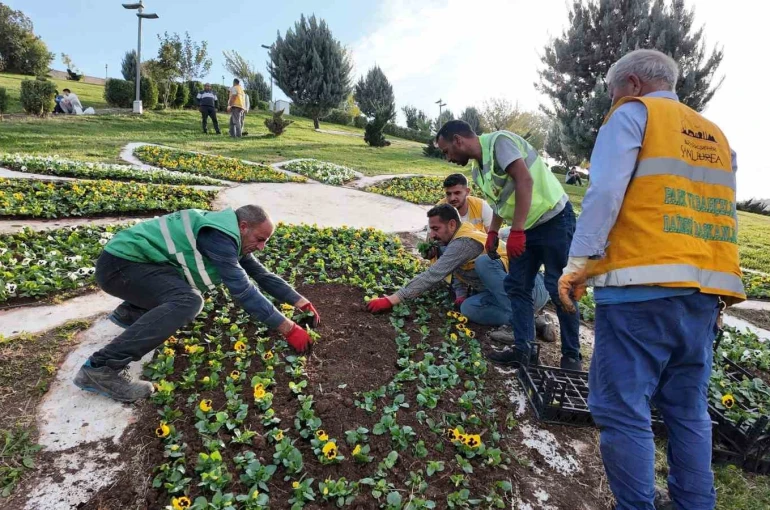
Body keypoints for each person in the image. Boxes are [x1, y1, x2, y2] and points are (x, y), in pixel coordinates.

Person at [558, 49, 745, 510]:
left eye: (612, 92)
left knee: (621, 410)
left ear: (634, 84)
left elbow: (603, 192)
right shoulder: (717, 136)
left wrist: (579, 261)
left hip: (639, 290)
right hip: (702, 296)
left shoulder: (633, 115)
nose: (611, 101)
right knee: (687, 412)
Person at [73, 205, 320, 403]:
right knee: (187, 301)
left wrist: (301, 302)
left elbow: (261, 275)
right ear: (243, 227)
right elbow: (243, 290)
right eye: (260, 239)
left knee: (181, 291)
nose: (261, 247)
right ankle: (101, 367)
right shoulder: (219, 237)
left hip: (134, 265)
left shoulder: (228, 234)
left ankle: (132, 313)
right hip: (120, 267)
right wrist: (288, 328)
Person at [435, 120, 581, 370]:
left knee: (559, 286)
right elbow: (501, 202)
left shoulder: (499, 143)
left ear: (458, 140)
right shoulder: (477, 171)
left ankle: (571, 358)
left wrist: (516, 231)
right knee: (517, 287)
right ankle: (524, 351)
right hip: (525, 228)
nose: (448, 157)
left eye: (447, 150)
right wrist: (493, 232)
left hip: (553, 220)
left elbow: (525, 181)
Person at [367, 204, 549, 328]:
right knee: (468, 308)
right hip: (506, 296)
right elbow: (460, 272)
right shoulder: (454, 240)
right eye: (431, 229)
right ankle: (530, 321)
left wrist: (391, 299)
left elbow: (432, 275)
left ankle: (521, 321)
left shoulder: (463, 242)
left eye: (436, 229)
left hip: (531, 288)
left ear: (452, 224)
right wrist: (461, 295)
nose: (432, 235)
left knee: (484, 262)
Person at [432, 173, 557, 343]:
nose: (452, 198)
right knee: (467, 307)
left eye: (457, 193)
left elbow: (493, 238)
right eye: (448, 194)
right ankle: (536, 321)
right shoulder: (442, 212)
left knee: (485, 262)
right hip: (496, 290)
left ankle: (519, 326)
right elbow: (440, 252)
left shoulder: (480, 211)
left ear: (467, 191)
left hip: (528, 286)